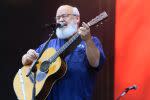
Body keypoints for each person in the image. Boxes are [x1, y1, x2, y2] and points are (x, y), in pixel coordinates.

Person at [22, 5, 106, 100]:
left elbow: (96, 63)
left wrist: (88, 40)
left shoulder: (91, 41)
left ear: (77, 18)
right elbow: (26, 62)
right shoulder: (49, 44)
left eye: (64, 16)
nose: (61, 20)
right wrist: (27, 57)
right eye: (58, 17)